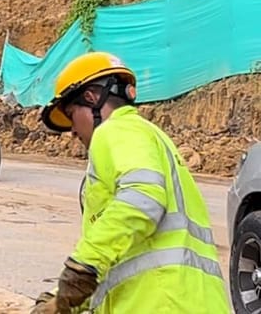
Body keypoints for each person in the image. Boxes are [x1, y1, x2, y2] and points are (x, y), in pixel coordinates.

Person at [31, 52, 226, 314]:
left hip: (159, 304)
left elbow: (143, 198)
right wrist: (61, 299)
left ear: (91, 98)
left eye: (71, 114)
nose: (73, 131)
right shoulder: (150, 137)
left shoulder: (115, 130)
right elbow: (123, 258)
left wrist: (82, 267)